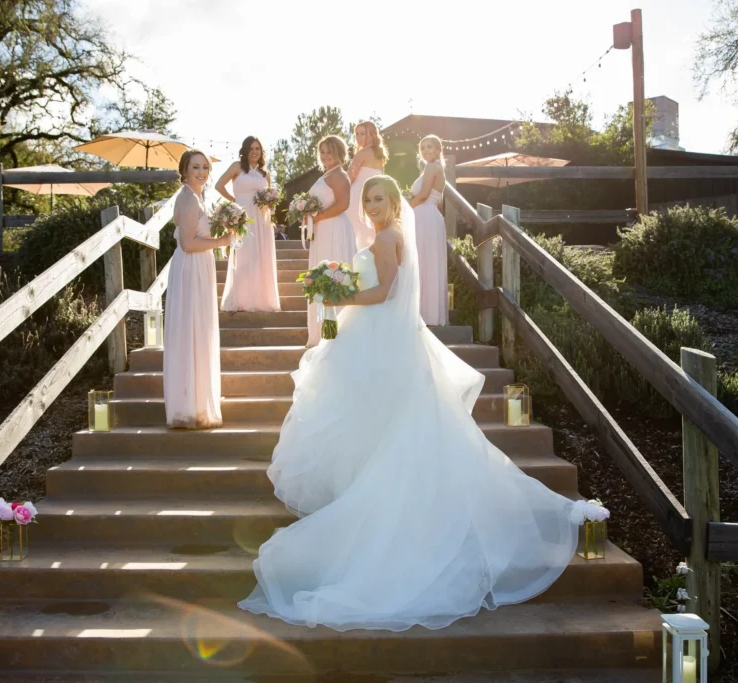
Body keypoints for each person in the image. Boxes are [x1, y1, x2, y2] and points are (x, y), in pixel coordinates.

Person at [238, 174, 590, 632]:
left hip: (380, 338)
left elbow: (383, 293)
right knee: (377, 422)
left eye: (379, 197)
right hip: (380, 337)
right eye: (367, 199)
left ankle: (374, 505)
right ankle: (363, 489)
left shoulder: (388, 237)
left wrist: (338, 294)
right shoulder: (385, 235)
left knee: (376, 419)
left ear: (394, 199)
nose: (372, 204)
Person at [163, 150, 234, 429]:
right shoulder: (189, 198)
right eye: (196, 167)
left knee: (196, 329)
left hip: (196, 268)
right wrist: (223, 241)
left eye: (205, 167)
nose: (202, 171)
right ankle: (192, 402)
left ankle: (196, 396)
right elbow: (189, 245)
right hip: (192, 268)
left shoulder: (195, 197)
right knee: (192, 329)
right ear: (184, 169)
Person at [214, 136, 281, 313]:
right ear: (245, 150)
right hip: (243, 217)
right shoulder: (237, 167)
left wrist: (269, 203)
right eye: (251, 148)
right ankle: (242, 298)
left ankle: (262, 298)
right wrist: (234, 202)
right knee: (244, 254)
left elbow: (270, 195)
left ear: (261, 151)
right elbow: (219, 185)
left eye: (257, 148)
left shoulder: (265, 174)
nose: (254, 152)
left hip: (261, 218)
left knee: (260, 256)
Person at [303, 135, 357, 348]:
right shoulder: (327, 174)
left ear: (339, 153)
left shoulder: (339, 176)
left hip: (334, 228)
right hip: (323, 230)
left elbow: (343, 204)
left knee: (333, 275)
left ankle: (338, 330)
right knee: (321, 276)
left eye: (329, 151)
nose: (325, 156)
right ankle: (324, 331)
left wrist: (317, 217)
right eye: (322, 152)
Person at [408, 134, 448, 326]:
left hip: (424, 215)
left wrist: (404, 208)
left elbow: (423, 195)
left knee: (423, 261)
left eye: (430, 147)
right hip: (430, 216)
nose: (425, 151)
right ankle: (429, 312)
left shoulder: (432, 167)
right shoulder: (436, 168)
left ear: (438, 150)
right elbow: (437, 200)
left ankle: (424, 313)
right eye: (422, 148)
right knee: (428, 262)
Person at [345, 120, 387, 250]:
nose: (358, 137)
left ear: (372, 135)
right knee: (369, 232)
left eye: (362, 134)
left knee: (356, 230)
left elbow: (348, 178)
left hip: (358, 196)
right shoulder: (380, 156)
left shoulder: (362, 154)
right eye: (357, 134)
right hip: (375, 196)